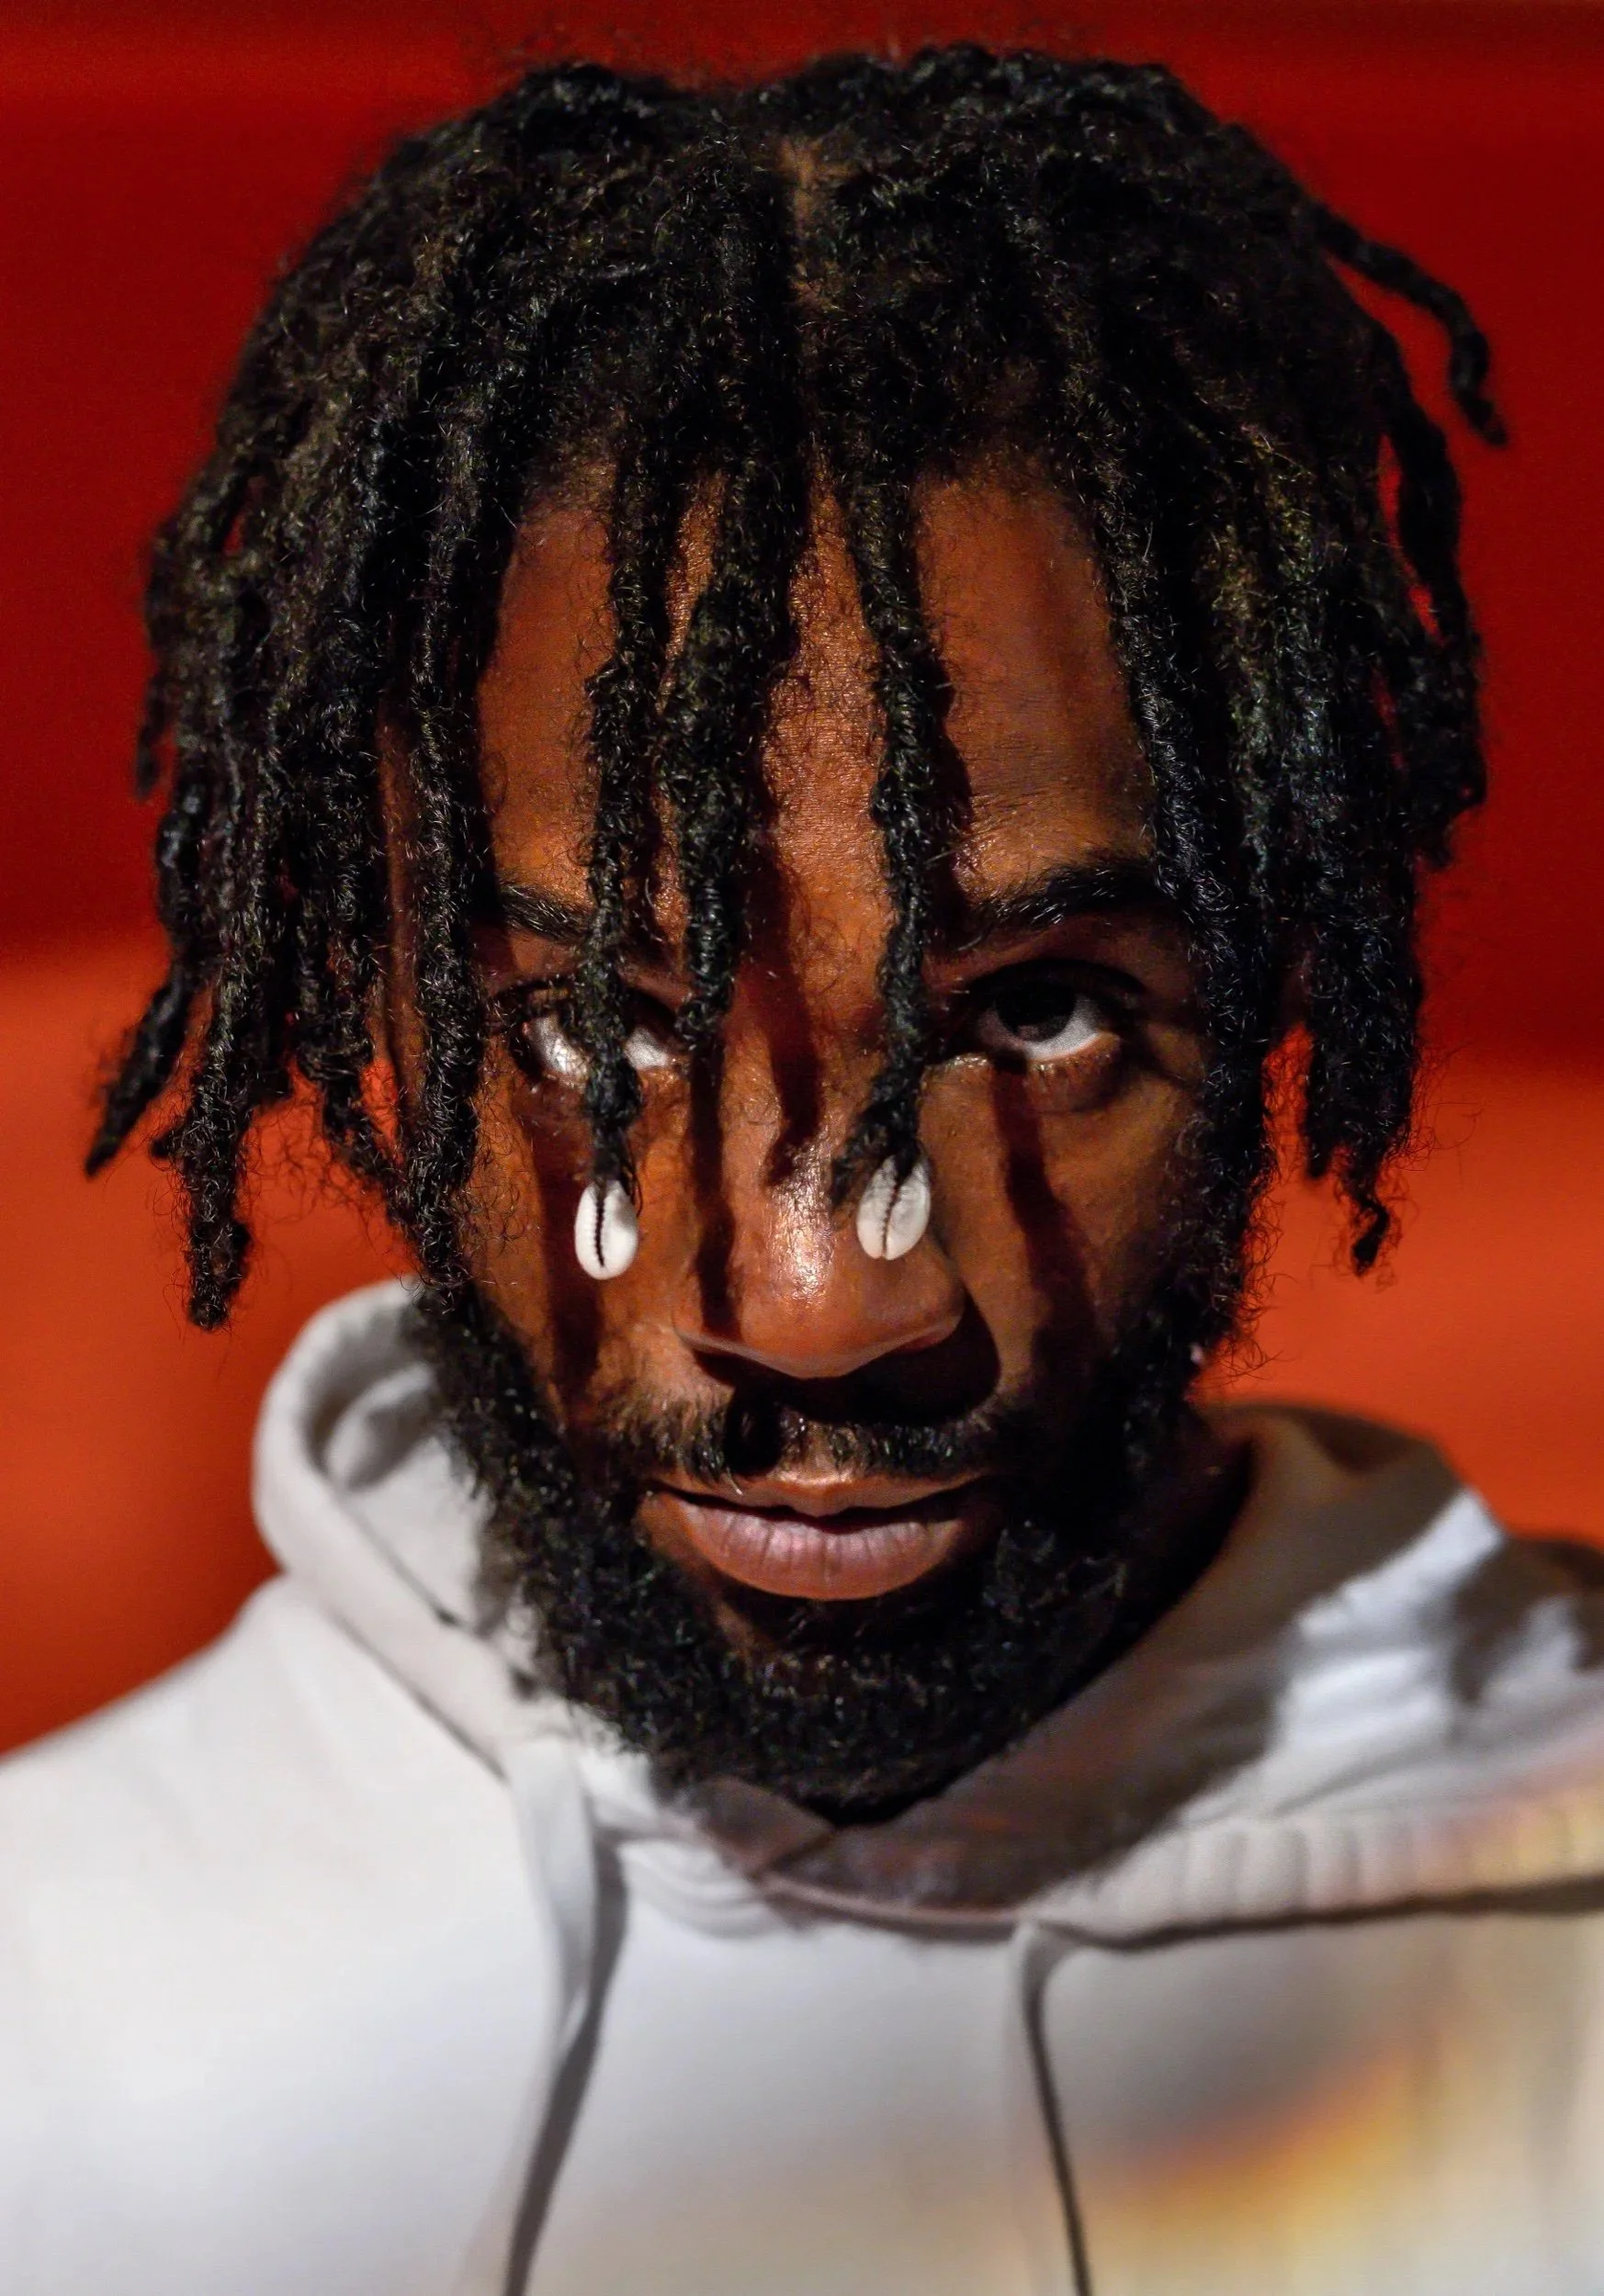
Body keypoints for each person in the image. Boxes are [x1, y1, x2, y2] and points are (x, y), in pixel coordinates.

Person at [3, 44, 1601, 2296]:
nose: (822, 1306)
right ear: (370, 1003)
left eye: (1034, 1014)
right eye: (593, 1029)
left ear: (1280, 984)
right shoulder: (46, 2023)